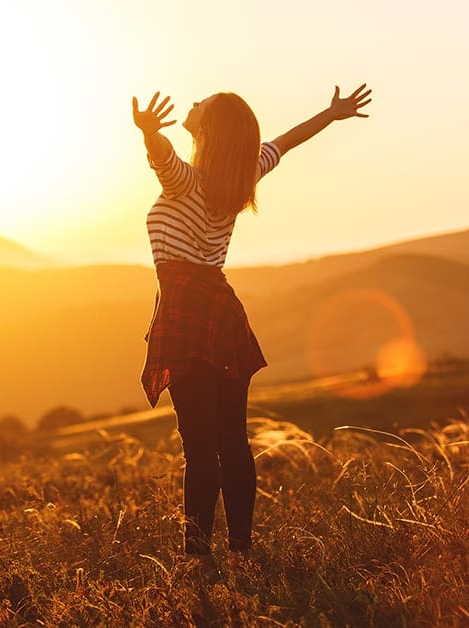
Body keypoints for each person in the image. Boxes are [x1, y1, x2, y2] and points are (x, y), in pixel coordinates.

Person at [132, 84, 372, 556]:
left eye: (201, 104)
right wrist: (330, 113)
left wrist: (148, 135)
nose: (193, 103)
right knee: (232, 442)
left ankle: (197, 559)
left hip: (185, 314)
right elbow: (287, 141)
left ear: (209, 128)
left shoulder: (186, 182)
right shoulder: (242, 174)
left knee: (200, 450)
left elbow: (163, 158)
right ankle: (240, 549)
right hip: (222, 314)